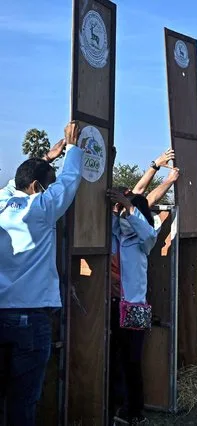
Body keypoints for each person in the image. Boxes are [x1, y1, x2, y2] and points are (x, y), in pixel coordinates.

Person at [0, 122, 80, 426]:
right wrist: (72, 148)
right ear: (37, 187)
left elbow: (15, 186)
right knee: (23, 401)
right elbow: (70, 181)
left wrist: (45, 160)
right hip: (30, 319)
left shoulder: (3, 205)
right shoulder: (41, 208)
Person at [108, 190, 159, 425]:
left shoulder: (142, 242)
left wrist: (129, 206)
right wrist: (116, 209)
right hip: (112, 305)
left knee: (132, 363)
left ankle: (135, 411)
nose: (124, 218)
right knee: (113, 360)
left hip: (133, 308)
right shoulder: (116, 236)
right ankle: (115, 407)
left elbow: (148, 232)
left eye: (129, 213)